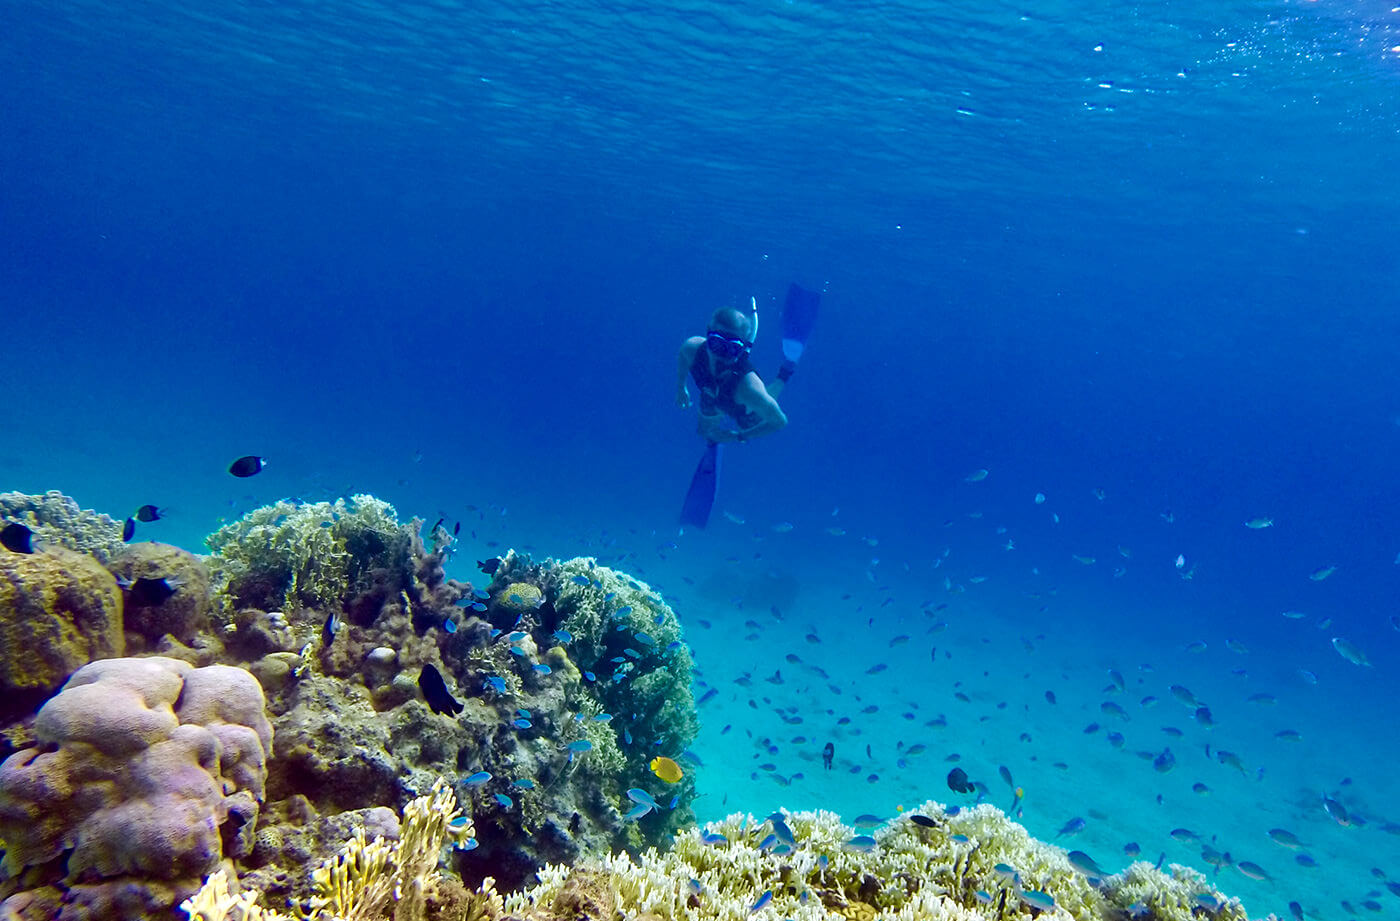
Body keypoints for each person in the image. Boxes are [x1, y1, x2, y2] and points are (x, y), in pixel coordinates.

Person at [676, 307, 787, 444]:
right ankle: (713, 439)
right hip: (712, 395)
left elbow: (779, 421)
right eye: (717, 344)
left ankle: (784, 375)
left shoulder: (749, 388)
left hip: (742, 408)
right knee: (703, 431)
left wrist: (740, 436)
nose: (720, 356)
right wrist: (681, 387)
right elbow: (683, 357)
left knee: (750, 421)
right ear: (708, 334)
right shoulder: (691, 349)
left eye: (732, 349)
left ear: (741, 349)